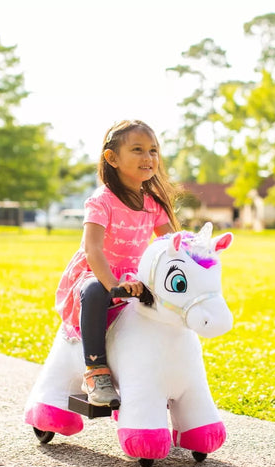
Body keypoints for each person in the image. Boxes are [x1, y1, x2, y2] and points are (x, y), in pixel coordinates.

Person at [55, 120, 179, 407]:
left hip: (135, 277)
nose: (148, 157)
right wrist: (113, 286)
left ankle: (165, 370)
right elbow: (93, 249)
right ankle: (96, 370)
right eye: (138, 150)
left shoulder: (153, 203)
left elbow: (172, 244)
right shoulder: (102, 201)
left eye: (153, 150)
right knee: (94, 292)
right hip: (99, 273)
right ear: (112, 158)